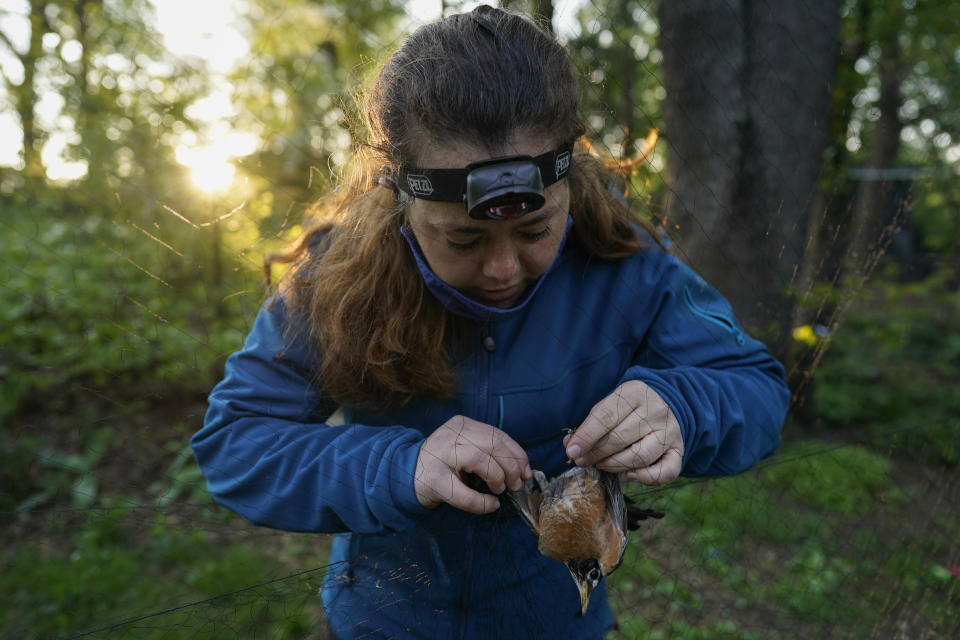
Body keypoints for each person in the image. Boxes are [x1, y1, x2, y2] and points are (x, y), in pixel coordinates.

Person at [191, 5, 790, 639]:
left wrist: (687, 408)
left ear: (570, 178)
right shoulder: (334, 279)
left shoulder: (626, 262)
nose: (504, 268)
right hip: (384, 623)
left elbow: (757, 389)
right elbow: (235, 445)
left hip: (559, 623)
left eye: (535, 230)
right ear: (399, 196)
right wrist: (400, 467)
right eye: (463, 238)